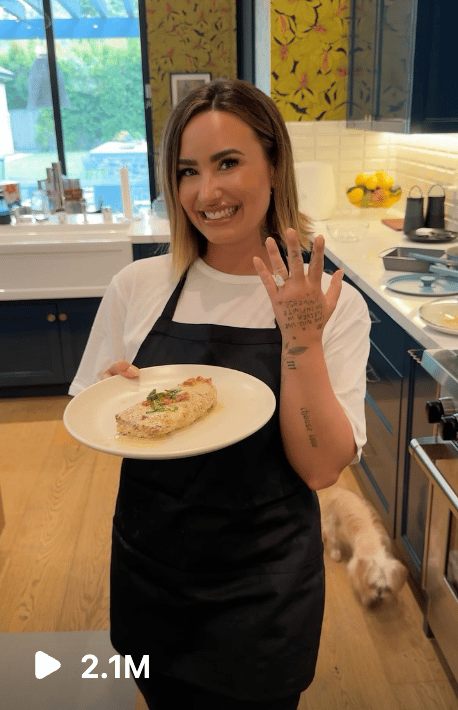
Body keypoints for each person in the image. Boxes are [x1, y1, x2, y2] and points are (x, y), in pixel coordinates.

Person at [70, 78, 370, 710]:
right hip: (149, 571)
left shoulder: (330, 303)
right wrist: (121, 399)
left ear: (274, 163)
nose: (206, 193)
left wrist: (300, 337)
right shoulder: (138, 285)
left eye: (227, 163)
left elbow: (320, 467)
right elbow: (89, 414)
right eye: (187, 171)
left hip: (261, 590)